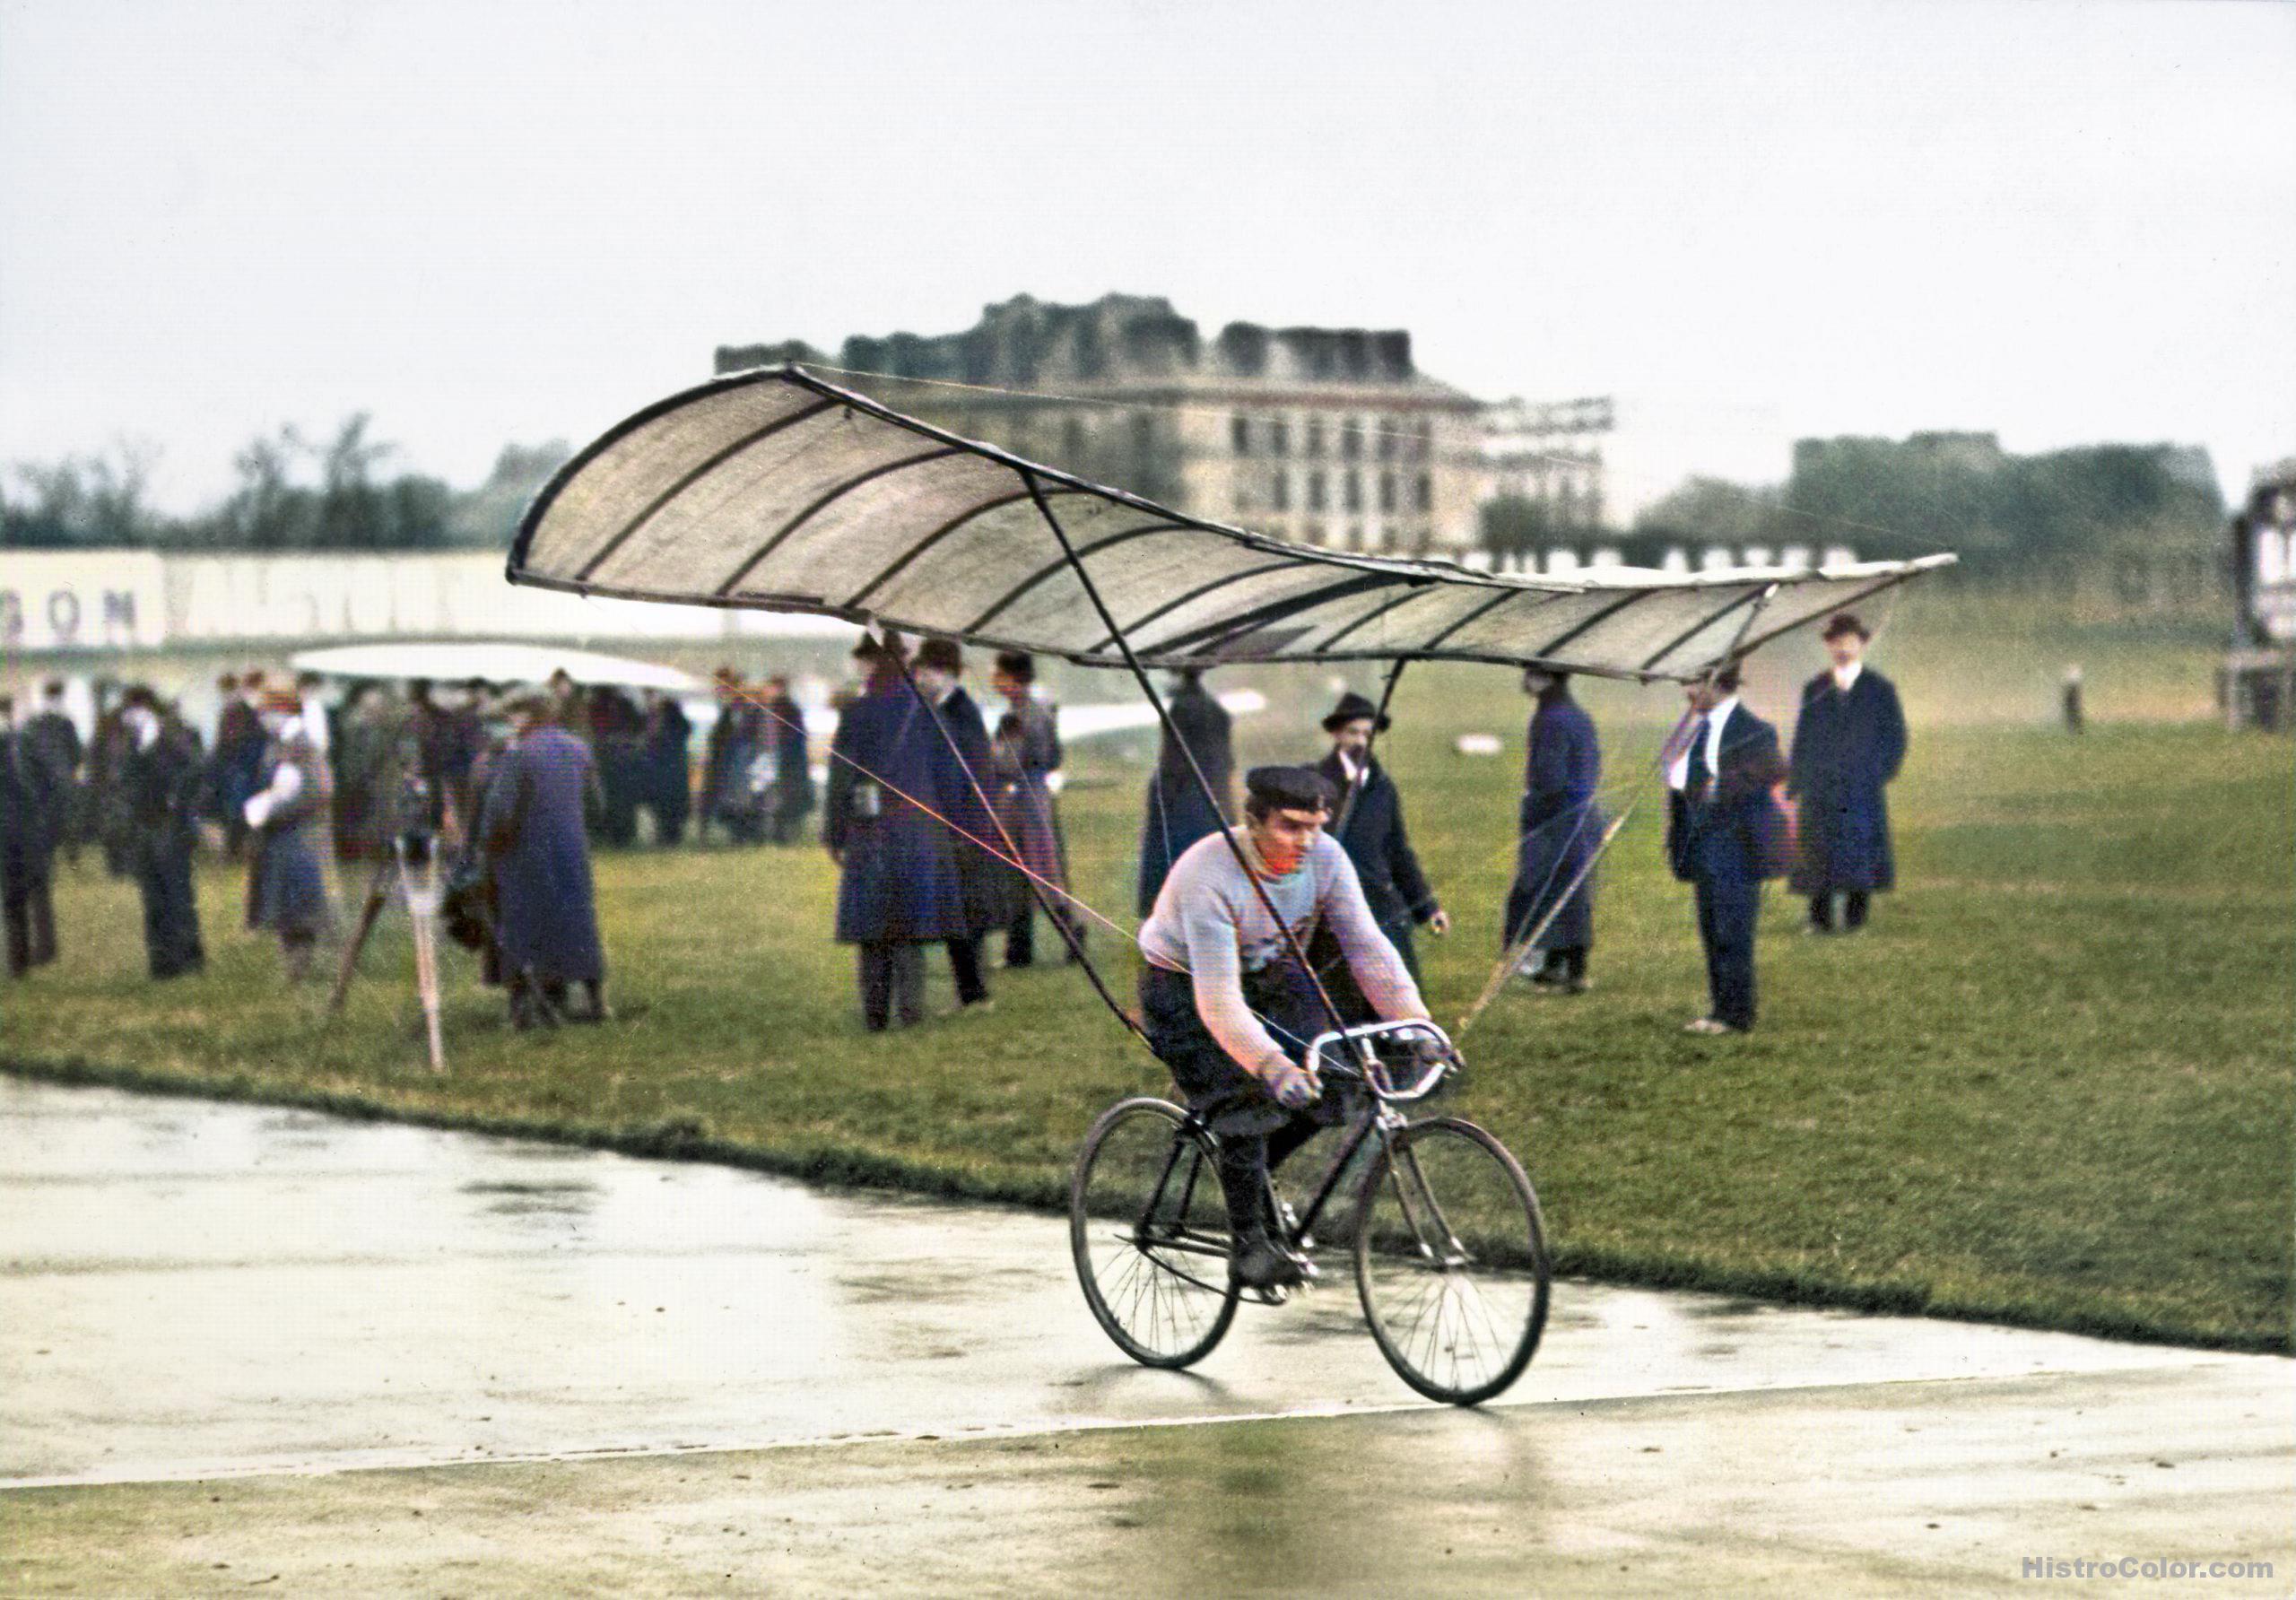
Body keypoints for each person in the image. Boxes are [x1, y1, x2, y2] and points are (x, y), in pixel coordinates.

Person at [1139, 765, 1435, 1290]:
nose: (1306, 842)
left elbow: (1366, 946)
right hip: (1186, 990)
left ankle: (1252, 1177)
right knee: (1248, 1095)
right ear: (1252, 821)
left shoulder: (1325, 857)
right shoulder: (1209, 876)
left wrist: (1417, 1024)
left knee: (1339, 1079)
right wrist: (1273, 1066)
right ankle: (1248, 1245)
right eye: (1291, 827)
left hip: (1269, 973)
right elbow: (1219, 1003)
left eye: (1316, 826)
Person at [823, 632, 968, 1030]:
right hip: (920, 833)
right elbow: (952, 779)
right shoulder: (928, 710)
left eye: (864, 660)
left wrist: (834, 835)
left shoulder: (856, 714)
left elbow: (840, 781)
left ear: (873, 662)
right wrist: (949, 828)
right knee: (910, 928)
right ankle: (911, 1013)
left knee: (873, 931)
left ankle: (875, 1016)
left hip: (872, 833)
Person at [1665, 664, 1787, 1035]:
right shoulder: (1696, 729)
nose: (1687, 690)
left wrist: (1715, 790)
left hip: (1737, 848)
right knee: (1712, 928)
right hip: (1704, 846)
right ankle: (1720, 1010)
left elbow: (1775, 768)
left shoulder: (1754, 728)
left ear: (1714, 682)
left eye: (1691, 682)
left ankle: (1737, 1015)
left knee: (1732, 930)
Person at [481, 696, 608, 1026]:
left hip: (526, 852)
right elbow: (596, 804)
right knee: (577, 922)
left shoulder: (519, 754)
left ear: (527, 716)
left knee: (524, 925)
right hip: (571, 848)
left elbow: (500, 811)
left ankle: (523, 1008)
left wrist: (489, 847)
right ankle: (595, 1000)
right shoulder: (580, 748)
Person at [1313, 691, 1447, 989]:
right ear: (1336, 734)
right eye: (1353, 733)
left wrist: (1428, 908)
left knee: (1400, 986)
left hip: (1381, 902)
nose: (1361, 741)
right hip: (1331, 904)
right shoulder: (1316, 783)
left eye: (1368, 734)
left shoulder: (1383, 787)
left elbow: (1399, 851)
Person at [1787, 613, 1908, 935]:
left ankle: (1856, 920)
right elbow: (1803, 737)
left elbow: (1896, 738)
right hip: (1820, 787)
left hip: (1861, 787)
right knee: (1818, 849)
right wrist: (1797, 779)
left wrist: (1877, 773)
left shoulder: (1880, 689)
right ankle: (1819, 918)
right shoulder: (1815, 688)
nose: (1843, 647)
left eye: (1850, 640)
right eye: (1836, 641)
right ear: (1828, 645)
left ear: (1862, 643)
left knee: (1859, 849)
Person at [909, 638, 998, 1012]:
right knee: (958, 911)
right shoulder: (943, 710)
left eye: (926, 671)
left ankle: (974, 992)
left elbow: (970, 775)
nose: (919, 678)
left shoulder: (960, 713)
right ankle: (971, 991)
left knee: (966, 913)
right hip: (951, 825)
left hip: (965, 827)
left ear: (945, 673)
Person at [1505, 666, 1603, 993]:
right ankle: (1557, 965)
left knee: (1553, 889)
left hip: (1557, 816)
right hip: (1581, 814)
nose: (1526, 679)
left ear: (1547, 678)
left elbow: (1548, 777)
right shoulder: (1576, 715)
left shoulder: (1550, 719)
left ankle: (1572, 972)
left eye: (1533, 673)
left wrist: (1535, 805)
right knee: (1569, 890)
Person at [987, 651, 1083, 967]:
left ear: (1015, 679)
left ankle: (1073, 931)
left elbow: (1020, 760)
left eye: (999, 675)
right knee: (1018, 872)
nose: (994, 680)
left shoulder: (1029, 714)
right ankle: (1019, 950)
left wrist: (997, 759)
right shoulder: (1023, 711)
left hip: (1027, 799)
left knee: (1040, 871)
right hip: (1025, 797)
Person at [243, 691, 336, 982]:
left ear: (285, 713)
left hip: (301, 836)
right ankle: (293, 967)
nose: (263, 720)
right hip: (281, 836)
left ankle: (302, 966)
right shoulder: (278, 745)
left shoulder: (305, 746)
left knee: (301, 907)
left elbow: (319, 791)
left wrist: (275, 810)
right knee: (283, 905)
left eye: (267, 713)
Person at [117, 686, 206, 979]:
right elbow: (125, 781)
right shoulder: (133, 743)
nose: (129, 717)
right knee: (152, 897)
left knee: (178, 894)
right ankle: (162, 964)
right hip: (144, 826)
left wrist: (178, 798)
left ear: (147, 709)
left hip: (171, 825)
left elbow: (196, 769)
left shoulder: (172, 736)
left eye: (133, 710)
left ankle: (189, 959)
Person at [1137, 666, 1235, 915]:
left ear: (1180, 677)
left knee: (1176, 865)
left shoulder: (1180, 709)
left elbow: (1173, 761)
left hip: (1184, 802)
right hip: (1215, 800)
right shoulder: (1217, 709)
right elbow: (1228, 761)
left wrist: (1162, 795)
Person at [1, 694, 63, 977]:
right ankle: (34, 952)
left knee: (14, 895)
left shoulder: (23, 741)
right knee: (33, 890)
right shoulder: (26, 740)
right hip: (28, 827)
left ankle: (20, 960)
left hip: (13, 828)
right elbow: (50, 782)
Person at [24, 680, 85, 866]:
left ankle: (47, 855)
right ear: (62, 695)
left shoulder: (34, 722)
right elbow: (76, 752)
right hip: (63, 776)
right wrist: (73, 770)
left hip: (41, 778)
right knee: (68, 817)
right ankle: (72, 856)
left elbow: (28, 751)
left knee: (44, 817)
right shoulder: (66, 722)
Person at [758, 676, 815, 844]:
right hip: (781, 761)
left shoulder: (787, 710)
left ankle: (782, 834)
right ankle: (779, 833)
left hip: (787, 762)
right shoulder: (777, 708)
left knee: (783, 800)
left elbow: (794, 737)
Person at [638, 690, 693, 847]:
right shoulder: (682, 727)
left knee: (663, 808)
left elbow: (652, 743)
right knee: (673, 809)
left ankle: (665, 836)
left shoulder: (665, 729)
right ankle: (671, 836)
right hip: (676, 775)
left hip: (664, 775)